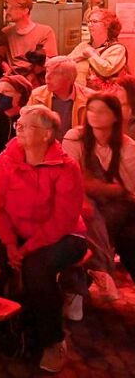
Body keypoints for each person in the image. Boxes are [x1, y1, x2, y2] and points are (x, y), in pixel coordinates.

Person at [0, 105, 86, 373]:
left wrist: (25, 249)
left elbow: (62, 220)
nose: (17, 127)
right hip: (15, 232)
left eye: (26, 125)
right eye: (18, 122)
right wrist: (9, 244)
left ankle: (52, 340)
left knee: (37, 269)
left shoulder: (66, 167)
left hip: (63, 235)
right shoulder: (7, 158)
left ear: (46, 134)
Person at [62, 93, 135, 283]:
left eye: (102, 111)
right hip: (84, 201)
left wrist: (93, 185)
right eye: (91, 109)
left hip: (121, 205)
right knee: (87, 216)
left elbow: (128, 188)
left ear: (115, 116)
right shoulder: (75, 137)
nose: (94, 114)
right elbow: (72, 179)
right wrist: (108, 188)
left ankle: (101, 272)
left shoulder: (127, 146)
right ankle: (101, 274)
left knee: (99, 225)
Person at [67, 9, 128, 90]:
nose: (89, 25)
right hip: (79, 94)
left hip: (103, 97)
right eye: (88, 21)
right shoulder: (83, 45)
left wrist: (91, 55)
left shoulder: (117, 48)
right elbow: (65, 63)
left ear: (107, 25)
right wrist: (81, 56)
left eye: (94, 21)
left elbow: (107, 70)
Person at [2, 0, 57, 83]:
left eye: (11, 8)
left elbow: (51, 62)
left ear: (25, 11)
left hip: (35, 81)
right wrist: (5, 67)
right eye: (6, 8)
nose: (7, 11)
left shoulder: (45, 32)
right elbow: (0, 57)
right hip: (11, 80)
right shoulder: (6, 32)